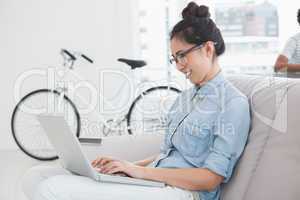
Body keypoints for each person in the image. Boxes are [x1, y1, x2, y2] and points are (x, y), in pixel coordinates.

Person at [23, 2, 251, 200]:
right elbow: (168, 155)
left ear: (208, 49)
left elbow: (210, 178)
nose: (179, 66)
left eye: (182, 55)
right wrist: (124, 166)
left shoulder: (233, 104)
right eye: (174, 59)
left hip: (184, 193)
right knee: (35, 177)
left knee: (52, 189)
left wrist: (139, 172)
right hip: (157, 181)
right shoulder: (185, 98)